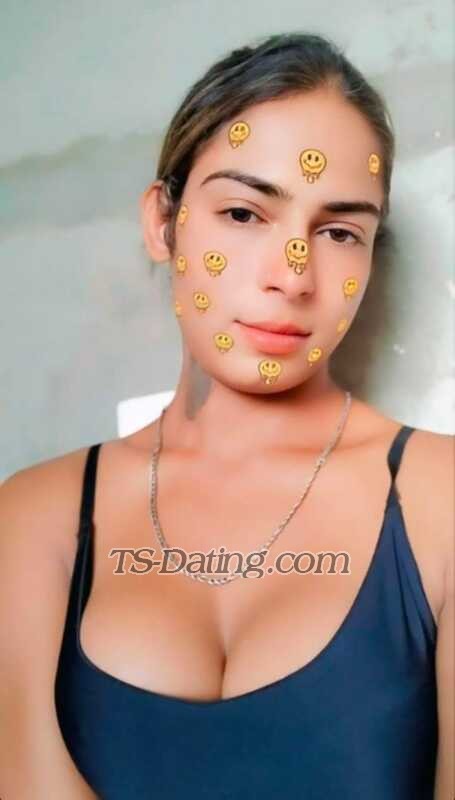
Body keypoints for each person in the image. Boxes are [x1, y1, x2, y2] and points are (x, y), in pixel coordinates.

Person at [0, 32, 453, 800]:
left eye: (338, 232)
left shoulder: (440, 501)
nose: (292, 276)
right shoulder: (33, 520)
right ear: (163, 222)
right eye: (244, 213)